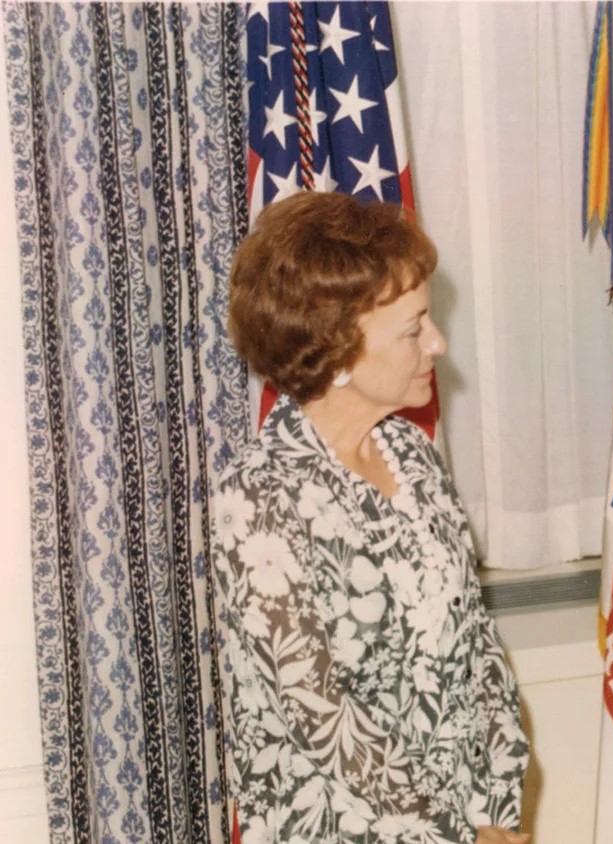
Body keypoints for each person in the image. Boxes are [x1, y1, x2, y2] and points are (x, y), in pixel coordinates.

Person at [212, 191, 529, 844]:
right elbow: (321, 716)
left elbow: (478, 646)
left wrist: (500, 802)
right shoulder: (258, 496)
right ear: (340, 350)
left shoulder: (410, 453)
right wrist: (458, 832)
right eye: (413, 330)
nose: (438, 343)